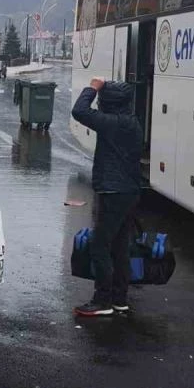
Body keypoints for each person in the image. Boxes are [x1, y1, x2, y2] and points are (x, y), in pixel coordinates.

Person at [71, 77, 143, 317]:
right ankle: (119, 298)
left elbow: (79, 111)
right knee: (120, 246)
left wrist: (92, 87)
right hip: (129, 191)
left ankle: (102, 300)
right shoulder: (130, 122)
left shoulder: (112, 123)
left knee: (100, 245)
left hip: (114, 192)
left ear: (108, 102)